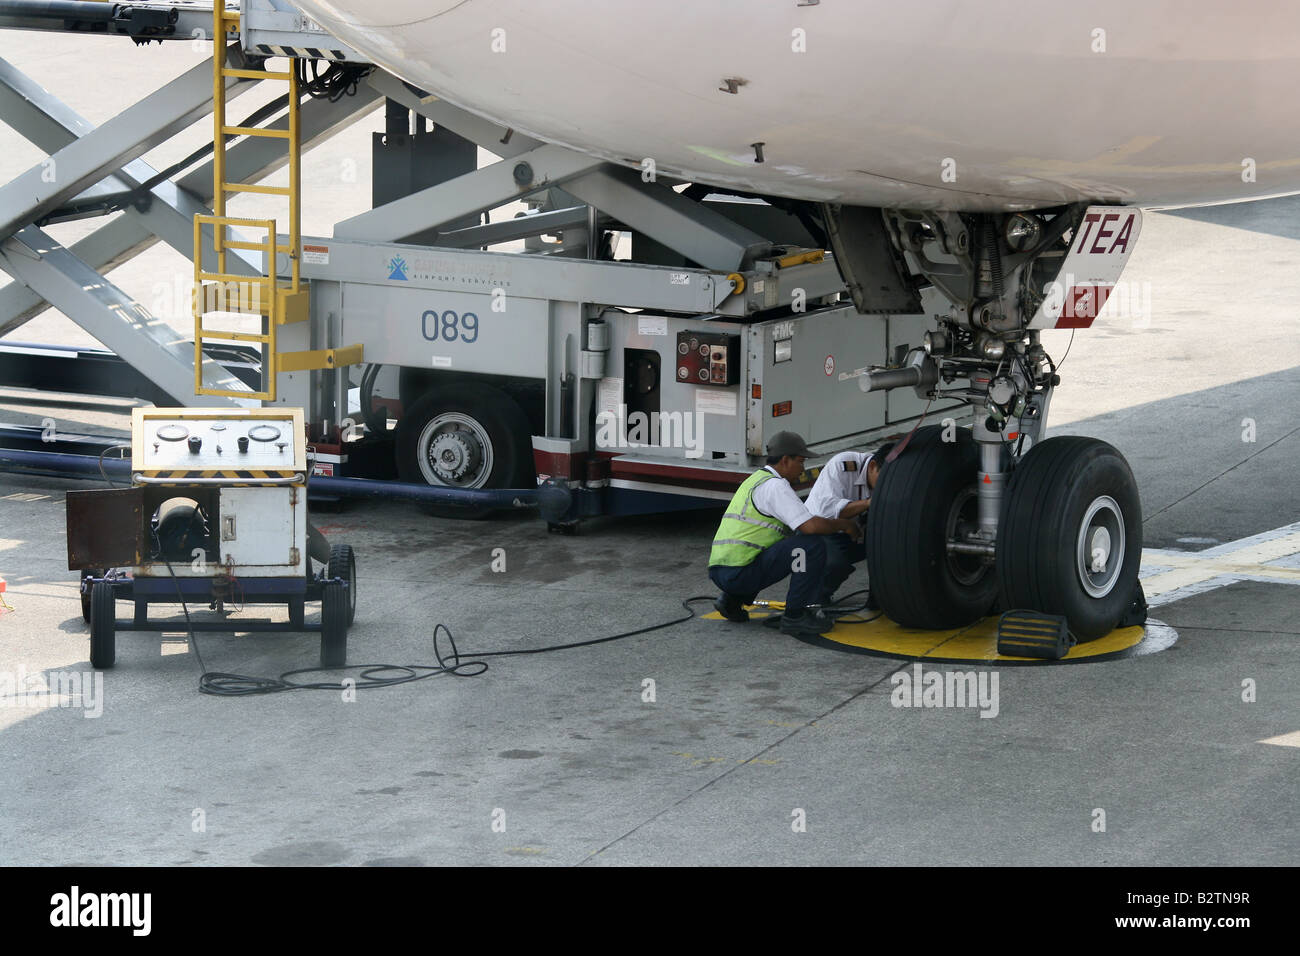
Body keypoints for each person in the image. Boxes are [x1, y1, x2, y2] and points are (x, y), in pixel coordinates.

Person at [708, 431, 863, 636]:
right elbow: (810, 527)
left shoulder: (756, 480)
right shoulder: (775, 486)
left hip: (722, 571)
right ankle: (795, 616)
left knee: (779, 546)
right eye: (800, 461)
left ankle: (731, 600)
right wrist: (844, 524)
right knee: (809, 546)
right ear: (785, 460)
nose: (802, 469)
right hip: (740, 574)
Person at [804, 442, 894, 609]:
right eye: (885, 480)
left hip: (854, 532)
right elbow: (827, 509)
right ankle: (813, 600)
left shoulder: (885, 476)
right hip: (820, 528)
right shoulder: (843, 465)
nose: (888, 486)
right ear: (873, 466)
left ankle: (880, 597)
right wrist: (868, 504)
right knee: (835, 564)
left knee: (891, 553)